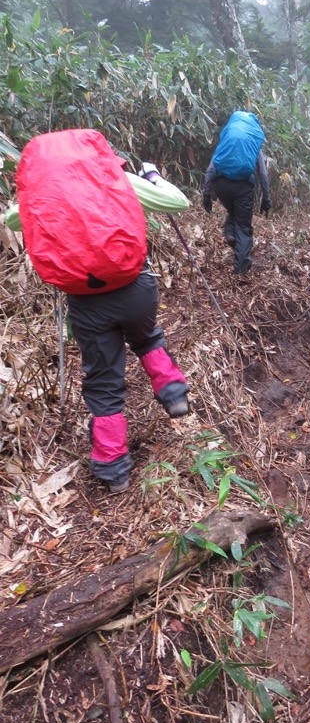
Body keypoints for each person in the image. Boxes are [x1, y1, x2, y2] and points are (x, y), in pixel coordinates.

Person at [5, 130, 191, 494]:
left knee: (104, 383)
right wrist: (153, 178)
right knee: (146, 336)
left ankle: (113, 467)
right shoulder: (118, 178)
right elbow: (179, 202)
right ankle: (172, 391)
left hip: (86, 302)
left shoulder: (42, 192)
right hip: (137, 287)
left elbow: (13, 220)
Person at [203, 111, 271, 276]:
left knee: (232, 212)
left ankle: (230, 233)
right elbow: (262, 172)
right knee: (243, 226)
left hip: (221, 185)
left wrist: (206, 193)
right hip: (243, 187)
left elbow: (212, 168)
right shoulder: (254, 143)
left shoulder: (226, 140)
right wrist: (266, 197)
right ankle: (241, 270)